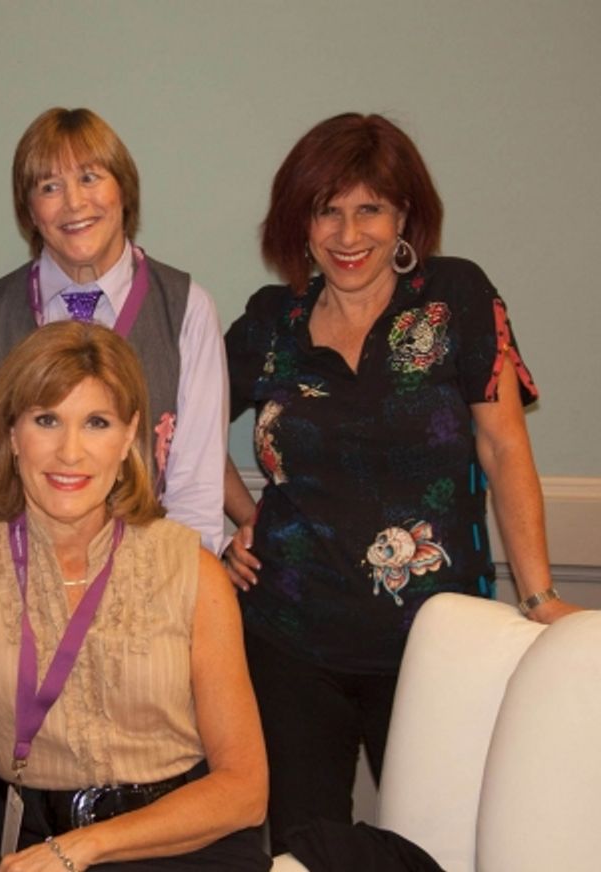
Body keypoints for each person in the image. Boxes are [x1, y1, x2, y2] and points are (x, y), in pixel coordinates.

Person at [222, 112, 580, 852]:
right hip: (291, 644)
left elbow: (504, 446)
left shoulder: (458, 298)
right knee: (302, 855)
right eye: (327, 211)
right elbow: (175, 435)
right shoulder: (270, 321)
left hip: (440, 647)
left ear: (404, 215)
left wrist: (539, 594)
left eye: (369, 210)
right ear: (301, 222)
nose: (348, 235)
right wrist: (234, 519)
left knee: (435, 853)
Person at [0, 321, 269, 872]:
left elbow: (245, 789)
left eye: (96, 423)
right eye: (46, 420)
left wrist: (85, 847)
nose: (70, 452)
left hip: (184, 844)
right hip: (35, 840)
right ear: (12, 432)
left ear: (129, 435)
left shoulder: (194, 571)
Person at [0, 107, 227, 553]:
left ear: (124, 190)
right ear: (30, 211)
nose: (74, 203)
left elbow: (196, 496)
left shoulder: (187, 309)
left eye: (90, 178)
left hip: (146, 585)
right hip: (16, 580)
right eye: (49, 187)